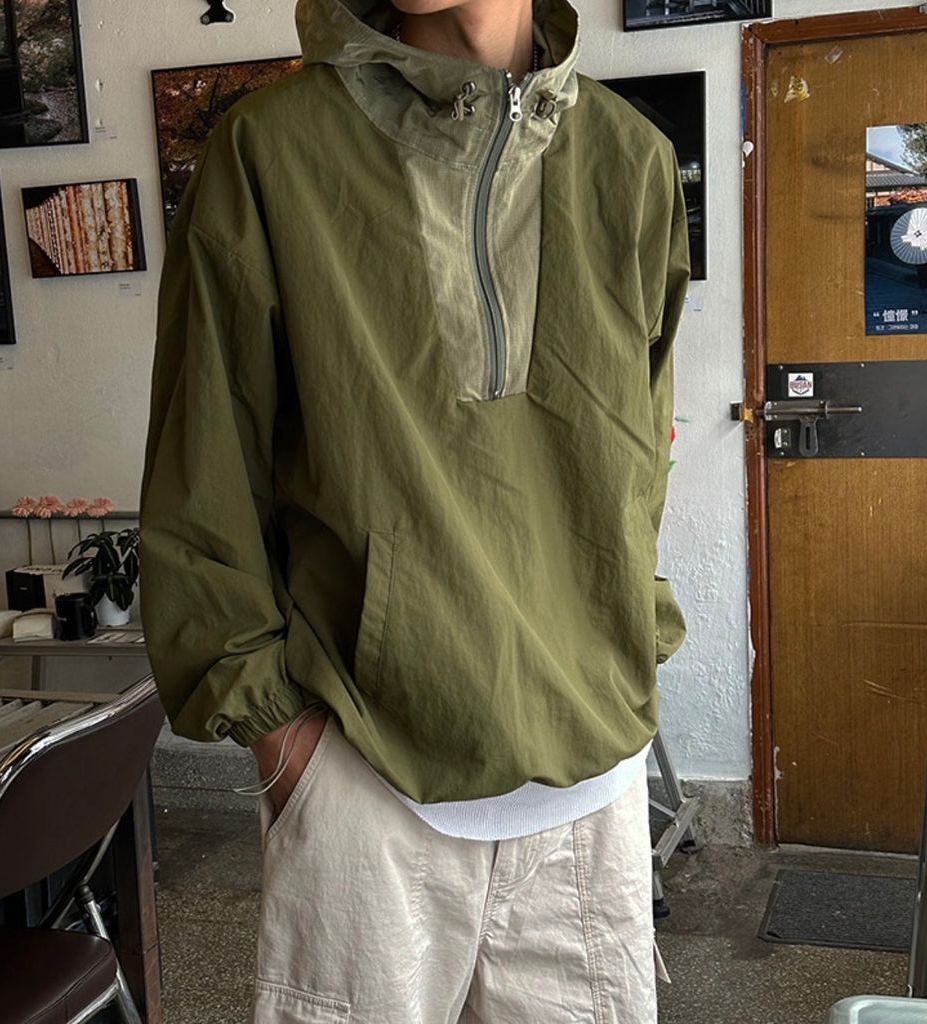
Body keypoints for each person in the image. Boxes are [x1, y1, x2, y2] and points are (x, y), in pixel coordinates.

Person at [138, 0, 691, 1019]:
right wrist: (279, 738)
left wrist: (629, 641)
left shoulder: (632, 162)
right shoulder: (269, 152)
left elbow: (634, 463)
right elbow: (201, 471)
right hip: (362, 776)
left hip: (591, 783)